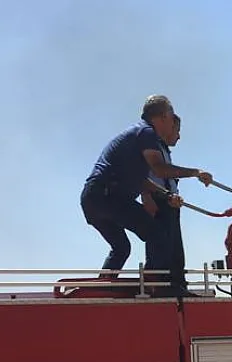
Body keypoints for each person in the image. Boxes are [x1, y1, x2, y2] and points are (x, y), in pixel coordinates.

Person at [80, 95, 212, 295]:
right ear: (162, 117)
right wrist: (195, 173)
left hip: (92, 199)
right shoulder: (147, 132)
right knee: (157, 233)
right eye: (170, 115)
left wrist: (166, 195)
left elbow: (142, 181)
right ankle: (158, 286)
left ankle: (102, 287)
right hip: (108, 196)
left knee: (121, 248)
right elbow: (159, 169)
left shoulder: (138, 136)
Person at [144, 113, 189, 293]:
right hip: (160, 200)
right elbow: (146, 175)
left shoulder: (163, 150)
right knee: (162, 246)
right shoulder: (151, 146)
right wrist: (147, 197)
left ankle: (177, 285)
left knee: (175, 249)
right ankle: (162, 285)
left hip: (170, 201)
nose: (178, 135)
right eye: (176, 129)